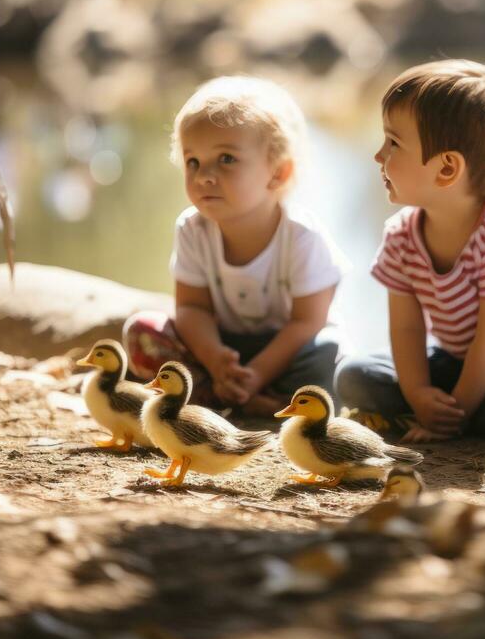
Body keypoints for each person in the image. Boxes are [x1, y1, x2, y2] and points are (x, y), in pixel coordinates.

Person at [124, 76, 349, 415]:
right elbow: (192, 309)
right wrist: (215, 360)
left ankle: (255, 399)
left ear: (278, 173)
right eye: (192, 162)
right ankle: (221, 393)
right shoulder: (192, 229)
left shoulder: (301, 236)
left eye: (226, 159)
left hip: (289, 350)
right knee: (142, 331)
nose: (203, 176)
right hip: (223, 346)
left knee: (330, 357)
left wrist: (256, 374)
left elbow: (306, 322)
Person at [334, 60, 485, 442]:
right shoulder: (402, 234)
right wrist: (419, 393)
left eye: (394, 143)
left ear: (445, 169)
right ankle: (441, 412)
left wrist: (456, 409)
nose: (379, 156)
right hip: (450, 358)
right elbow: (407, 328)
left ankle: (464, 417)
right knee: (355, 376)